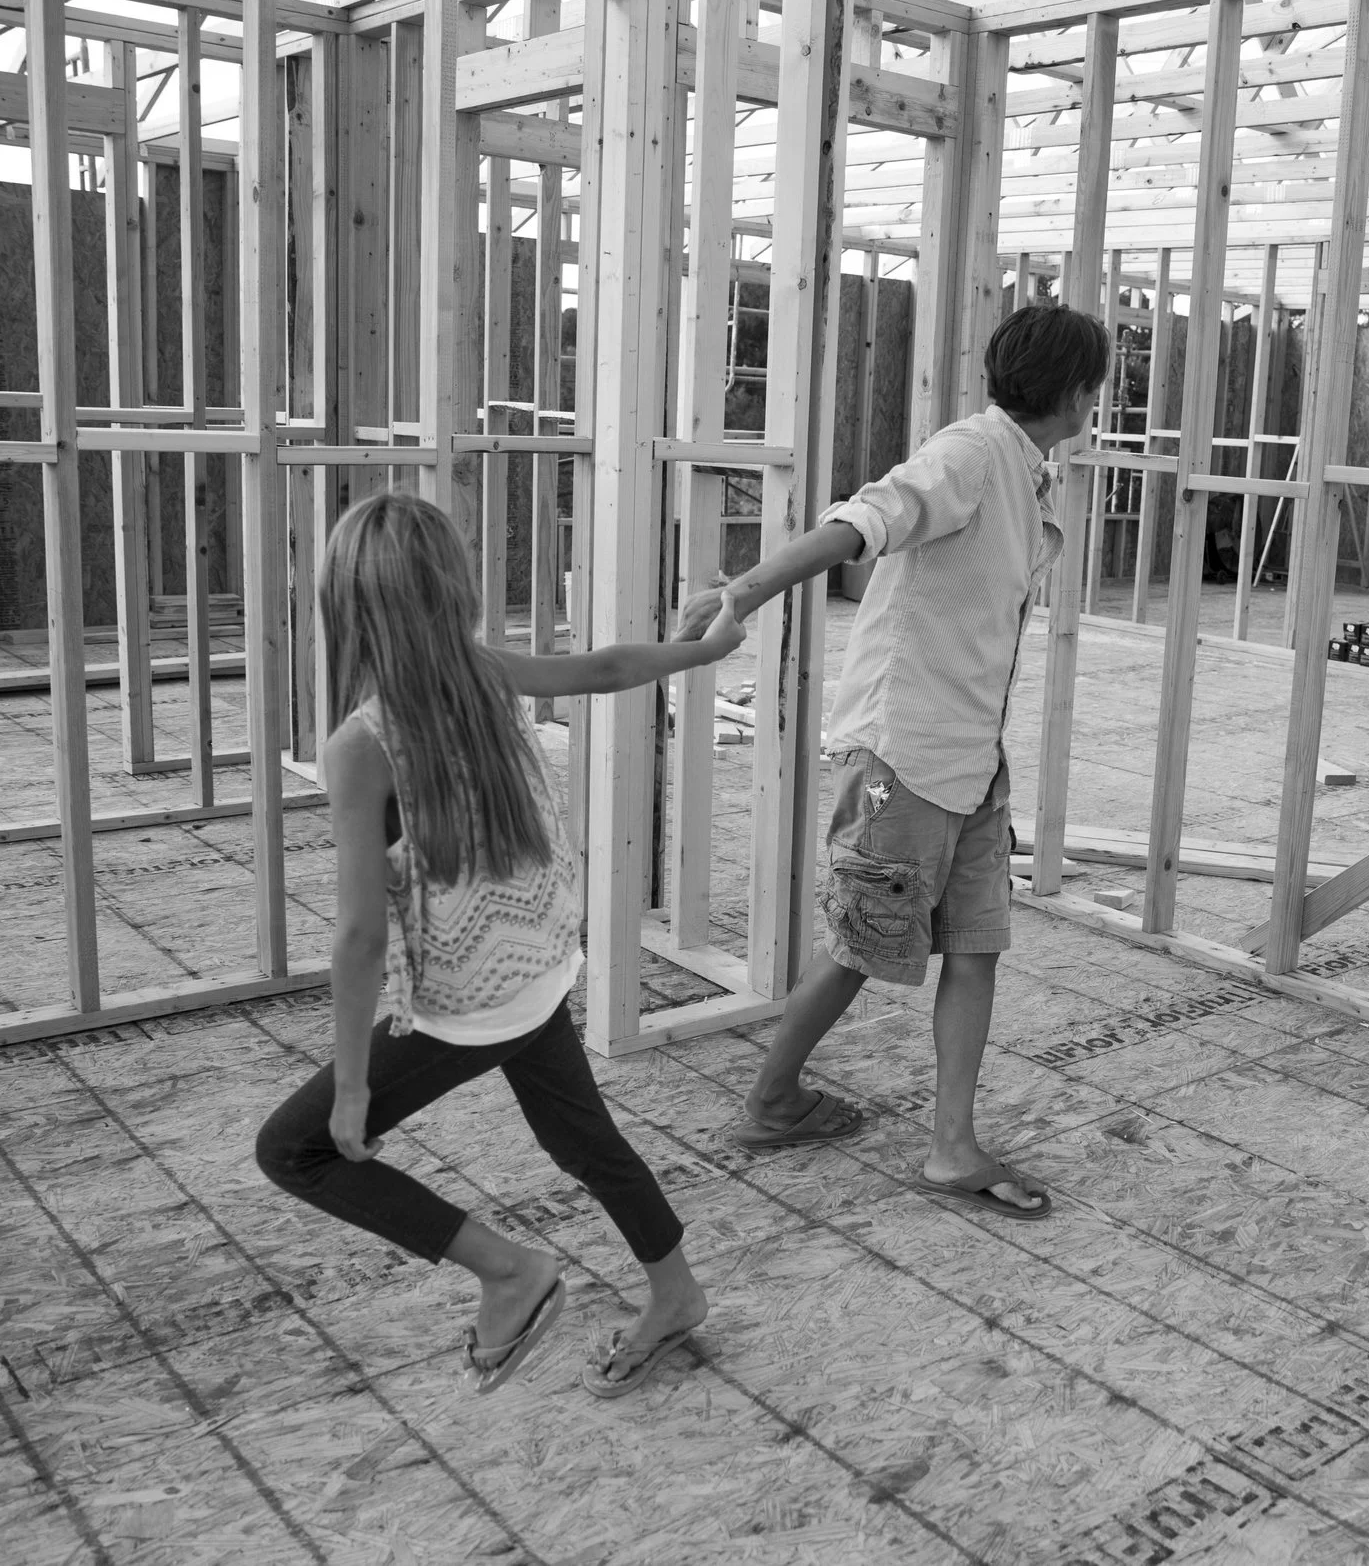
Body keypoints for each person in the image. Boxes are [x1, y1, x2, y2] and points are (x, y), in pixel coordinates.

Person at [257, 492, 744, 1398]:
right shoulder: (481, 671)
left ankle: (509, 1272)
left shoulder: (359, 743)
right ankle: (675, 1292)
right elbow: (603, 668)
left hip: (467, 1006)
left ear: (345, 606)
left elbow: (362, 936)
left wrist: (355, 1084)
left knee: (295, 1151)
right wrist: (706, 651)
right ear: (452, 592)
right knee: (584, 1140)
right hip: (538, 965)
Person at [676, 303, 1111, 1221]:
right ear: (1077, 393)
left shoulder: (1023, 470)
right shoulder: (969, 454)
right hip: (904, 752)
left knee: (977, 944)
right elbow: (863, 521)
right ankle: (770, 1100)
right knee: (864, 944)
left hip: (970, 753)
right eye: (1095, 388)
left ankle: (952, 1147)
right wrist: (745, 591)